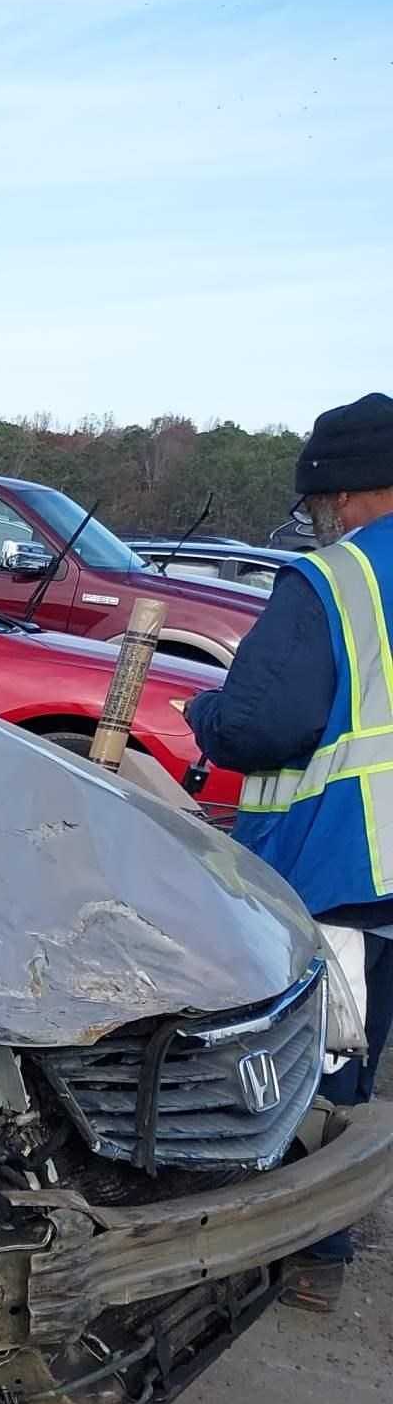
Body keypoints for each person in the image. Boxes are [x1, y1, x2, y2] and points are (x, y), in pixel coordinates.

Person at [186, 391, 393, 1312]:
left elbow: (263, 723)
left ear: (344, 497)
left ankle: (313, 1252)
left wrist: (204, 715)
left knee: (324, 1057)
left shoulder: (334, 581)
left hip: (351, 873)